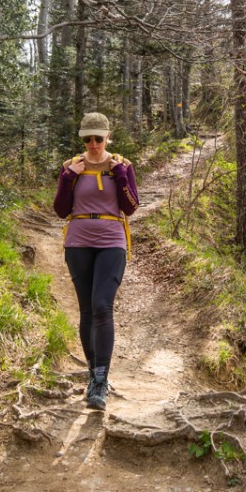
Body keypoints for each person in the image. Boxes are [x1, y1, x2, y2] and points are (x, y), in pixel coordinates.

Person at [52, 111, 139, 410]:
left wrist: (120, 175)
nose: (92, 144)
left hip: (112, 240)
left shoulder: (123, 165)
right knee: (87, 309)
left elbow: (131, 206)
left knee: (103, 305)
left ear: (107, 137)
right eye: (87, 138)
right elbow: (61, 209)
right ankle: (93, 374)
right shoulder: (70, 167)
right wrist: (69, 178)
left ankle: (101, 380)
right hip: (78, 242)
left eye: (97, 138)